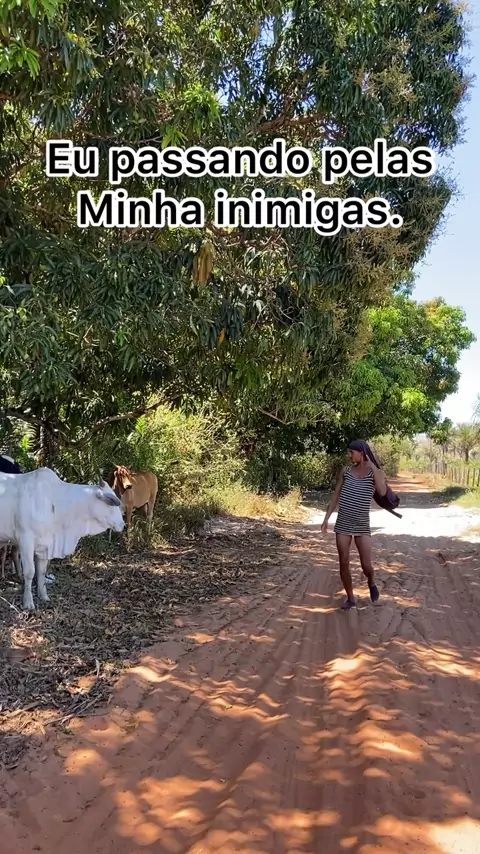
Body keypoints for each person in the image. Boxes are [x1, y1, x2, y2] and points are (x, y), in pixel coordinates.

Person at [321, 439, 387, 610]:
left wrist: (373, 468)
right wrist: (326, 518)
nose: (349, 455)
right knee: (343, 561)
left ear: (361, 453)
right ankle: (350, 598)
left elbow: (382, 492)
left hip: (362, 524)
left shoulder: (374, 472)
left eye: (352, 452)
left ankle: (371, 581)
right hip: (343, 522)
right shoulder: (346, 471)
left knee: (366, 565)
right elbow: (336, 495)